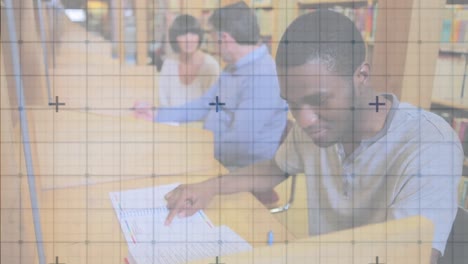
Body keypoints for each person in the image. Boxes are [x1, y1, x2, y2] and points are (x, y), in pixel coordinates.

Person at [163, 10, 463, 264]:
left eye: (319, 100)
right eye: (292, 104)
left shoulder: (428, 143)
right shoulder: (321, 127)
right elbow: (274, 169)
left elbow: (413, 256)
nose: (303, 120)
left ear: (361, 76)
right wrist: (208, 187)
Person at [135, 1, 287, 172]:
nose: (214, 47)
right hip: (215, 154)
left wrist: (195, 150)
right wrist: (156, 114)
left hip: (239, 168)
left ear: (224, 39)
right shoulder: (235, 67)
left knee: (155, 165)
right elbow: (206, 103)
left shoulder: (263, 77)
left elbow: (241, 142)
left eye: (213, 40)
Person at [158, 14, 220, 107]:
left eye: (193, 34)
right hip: (171, 120)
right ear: (175, 38)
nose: (188, 39)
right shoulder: (169, 63)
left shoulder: (211, 66)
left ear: (199, 37)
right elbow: (163, 102)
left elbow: (216, 108)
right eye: (182, 34)